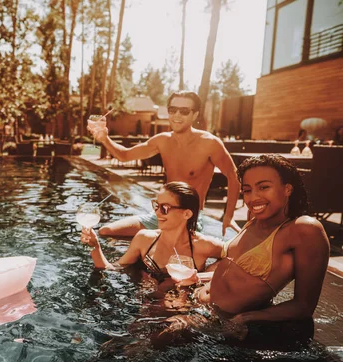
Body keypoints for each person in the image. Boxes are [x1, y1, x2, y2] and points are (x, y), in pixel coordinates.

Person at [192, 154, 330, 324]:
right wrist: (197, 278)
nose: (253, 198)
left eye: (264, 187)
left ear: (288, 189)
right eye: (247, 190)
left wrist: (246, 318)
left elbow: (304, 306)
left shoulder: (304, 229)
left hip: (222, 322)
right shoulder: (255, 219)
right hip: (197, 304)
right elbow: (231, 272)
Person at [89, 91, 240, 237]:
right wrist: (105, 139)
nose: (177, 115)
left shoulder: (210, 143)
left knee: (158, 244)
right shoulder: (162, 141)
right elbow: (125, 155)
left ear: (195, 115)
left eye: (184, 111)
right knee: (106, 230)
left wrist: (229, 215)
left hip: (188, 218)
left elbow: (234, 177)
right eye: (172, 110)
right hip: (162, 213)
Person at [81, 182, 223, 291]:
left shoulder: (203, 245)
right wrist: (95, 246)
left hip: (181, 307)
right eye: (156, 205)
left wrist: (205, 276)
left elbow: (235, 258)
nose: (157, 213)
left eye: (165, 208)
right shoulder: (144, 239)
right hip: (144, 303)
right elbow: (111, 270)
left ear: (186, 214)